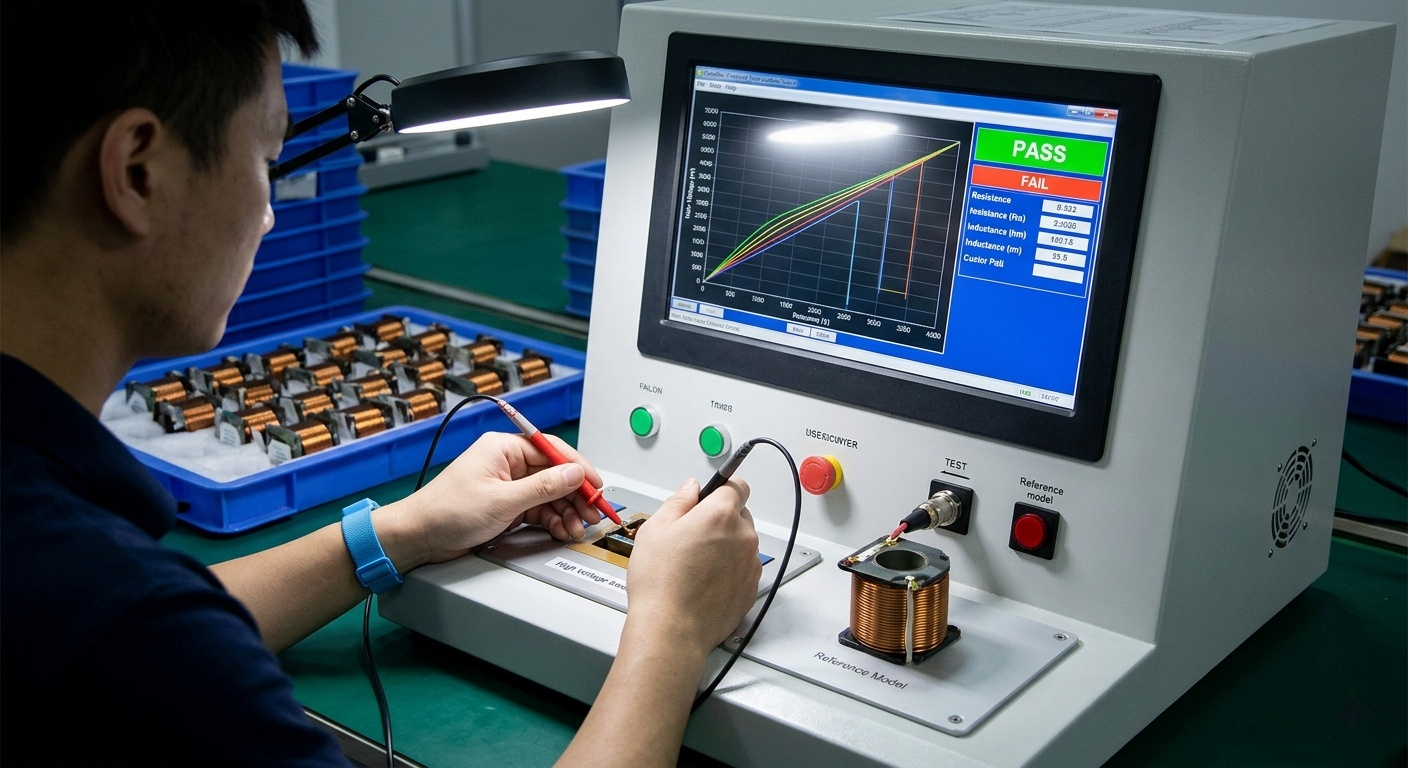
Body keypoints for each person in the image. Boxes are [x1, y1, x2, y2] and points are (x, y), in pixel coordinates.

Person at [0, 2, 763, 766]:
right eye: (267, 161)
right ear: (137, 171)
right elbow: (140, 634)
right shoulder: (109, 617)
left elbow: (157, 621)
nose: (267, 214)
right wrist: (673, 628)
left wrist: (404, 530)